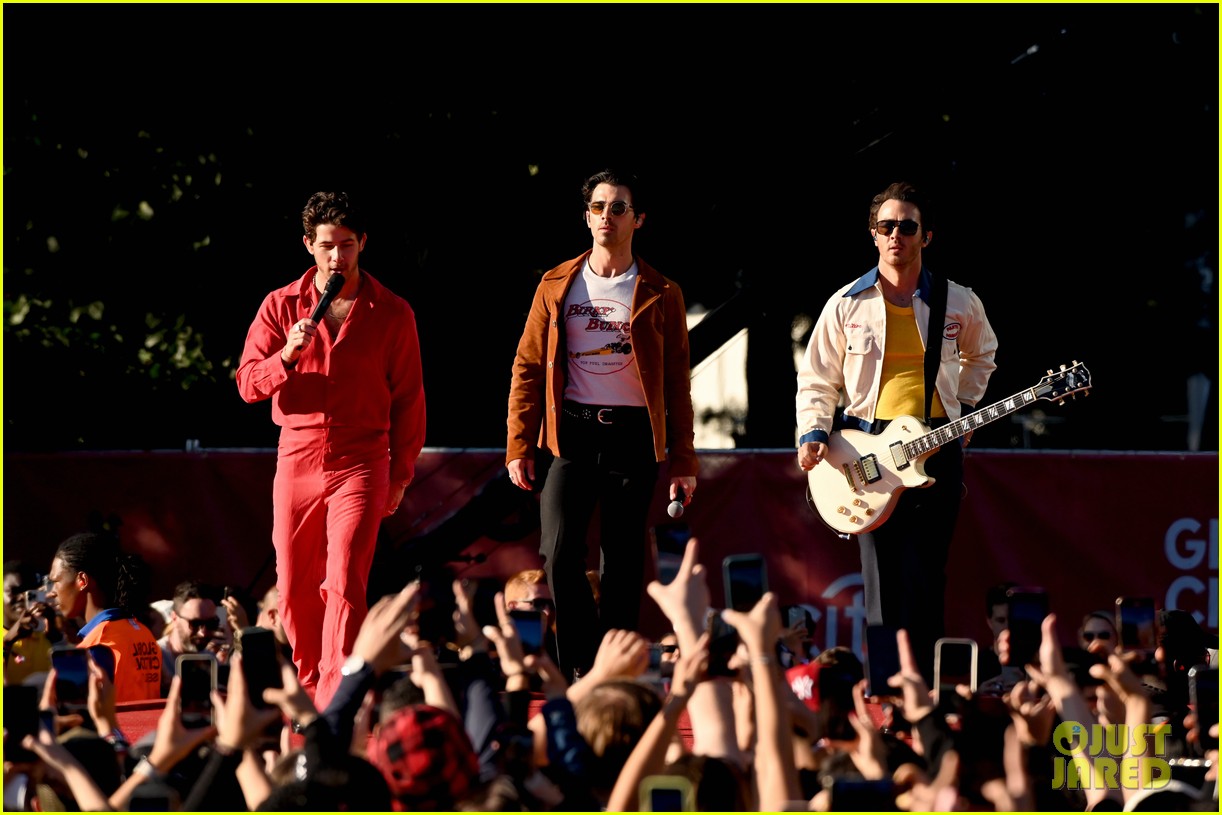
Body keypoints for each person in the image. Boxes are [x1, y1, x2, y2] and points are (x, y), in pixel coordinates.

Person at [796, 180, 997, 684]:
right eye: (886, 226)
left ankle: (925, 693)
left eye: (907, 227)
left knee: (927, 576)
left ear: (926, 236)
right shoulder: (846, 303)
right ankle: (887, 694)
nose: (896, 236)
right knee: (881, 582)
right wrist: (813, 432)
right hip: (868, 449)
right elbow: (817, 377)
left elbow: (983, 354)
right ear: (872, 233)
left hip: (937, 444)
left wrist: (963, 408)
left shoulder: (957, 300)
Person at [505, 168, 699, 682]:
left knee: (622, 562)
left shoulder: (662, 291)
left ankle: (614, 677)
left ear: (638, 219)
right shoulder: (557, 283)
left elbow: (677, 383)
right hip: (572, 432)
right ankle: (579, 668)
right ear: (586, 217)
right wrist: (519, 444)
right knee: (558, 552)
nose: (606, 216)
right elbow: (528, 366)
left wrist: (683, 459)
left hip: (634, 436)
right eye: (598, 207)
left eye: (618, 208)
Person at [236, 190, 427, 710]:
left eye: (346, 245)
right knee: (294, 586)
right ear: (308, 245)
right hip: (297, 455)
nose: (337, 256)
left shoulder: (393, 311)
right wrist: (285, 355)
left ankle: (334, 699)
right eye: (326, 246)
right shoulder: (280, 305)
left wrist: (401, 474)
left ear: (362, 243)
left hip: (362, 459)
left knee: (344, 578)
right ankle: (306, 688)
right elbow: (248, 384)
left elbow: (409, 398)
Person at [44, 532, 161, 701]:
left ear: (82, 581)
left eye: (56, 581)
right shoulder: (143, 633)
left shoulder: (96, 646)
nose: (52, 592)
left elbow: (83, 713)